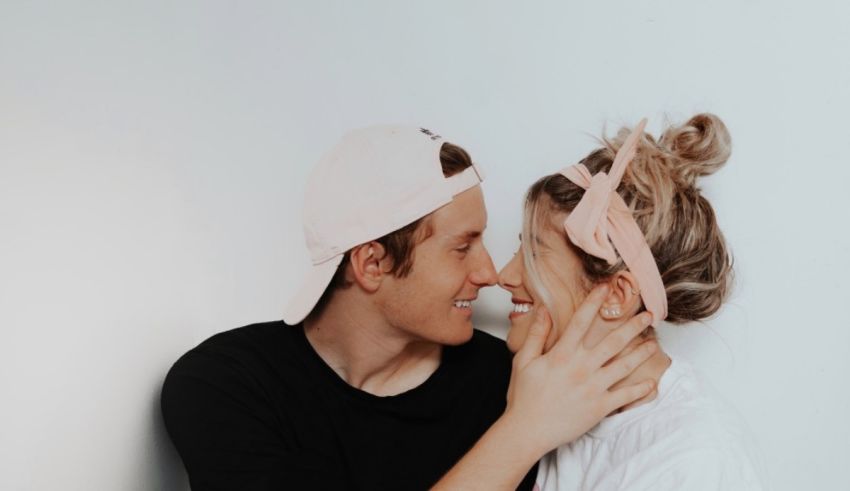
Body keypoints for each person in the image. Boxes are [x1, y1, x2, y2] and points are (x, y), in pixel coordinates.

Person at [161, 125, 659, 490]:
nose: (489, 273)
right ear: (372, 263)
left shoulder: (516, 380)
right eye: (462, 247)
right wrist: (522, 433)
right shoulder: (224, 385)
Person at [497, 114, 765, 490]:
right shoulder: (555, 403)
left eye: (534, 255)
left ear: (617, 295)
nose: (503, 275)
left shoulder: (691, 463)